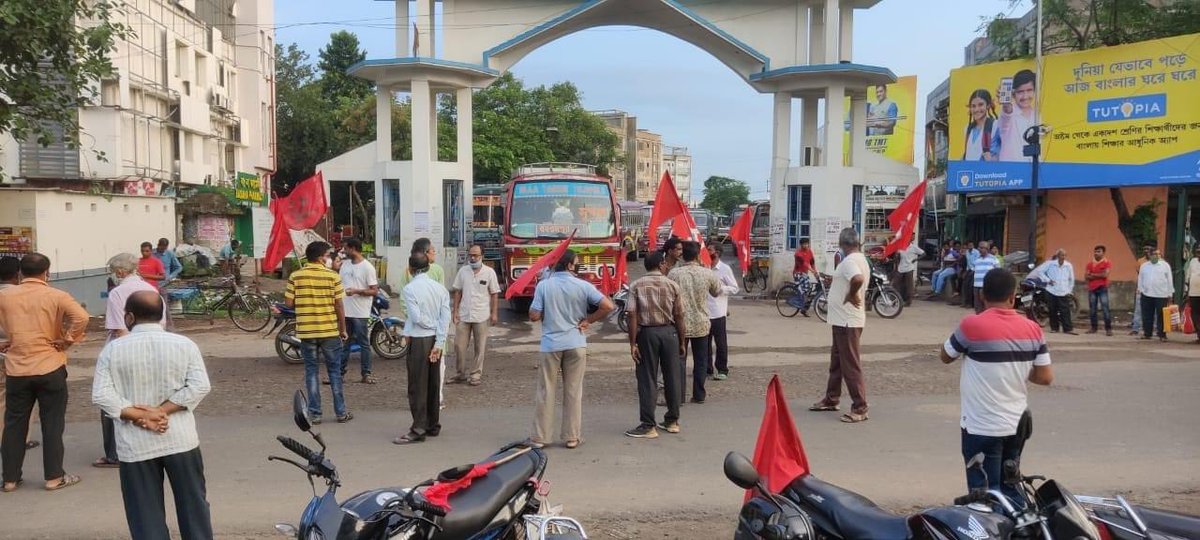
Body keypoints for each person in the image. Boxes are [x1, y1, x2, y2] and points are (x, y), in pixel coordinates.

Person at [92, 291, 213, 540]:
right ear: (163, 315)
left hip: (135, 445)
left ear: (129, 317)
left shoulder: (112, 351)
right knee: (194, 507)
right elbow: (200, 386)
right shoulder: (184, 344)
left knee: (144, 514)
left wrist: (140, 416)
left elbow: (102, 395)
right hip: (180, 439)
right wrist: (162, 410)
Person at [941, 268, 1054, 502]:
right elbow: (1045, 377)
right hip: (1017, 425)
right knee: (1011, 487)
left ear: (982, 295)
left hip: (982, 426)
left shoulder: (971, 325)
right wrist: (1016, 367)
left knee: (985, 495)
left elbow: (945, 355)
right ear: (1013, 297)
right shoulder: (1033, 328)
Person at [0, 253, 89, 493]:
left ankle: (9, 479)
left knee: (14, 424)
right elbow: (81, 317)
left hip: (17, 367)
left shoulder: (5, 296)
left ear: (20, 273)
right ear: (46, 272)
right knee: (52, 423)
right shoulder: (56, 295)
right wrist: (67, 340)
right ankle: (53, 477)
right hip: (50, 364)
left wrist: (5, 341)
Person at [528, 250, 614, 449]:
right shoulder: (583, 285)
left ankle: (540, 437)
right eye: (577, 263)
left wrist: (540, 305)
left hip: (550, 345)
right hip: (576, 343)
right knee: (574, 391)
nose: (578, 266)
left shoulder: (544, 285)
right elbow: (608, 306)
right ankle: (571, 437)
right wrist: (588, 321)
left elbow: (534, 316)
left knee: (546, 391)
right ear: (569, 265)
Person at [95, 253, 165, 470]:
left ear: (119, 272)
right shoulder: (151, 290)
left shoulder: (117, 293)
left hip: (123, 351)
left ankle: (114, 454)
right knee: (145, 396)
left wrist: (125, 353)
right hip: (152, 348)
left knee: (113, 400)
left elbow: (119, 328)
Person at [285, 241, 352, 424]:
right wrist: (343, 329)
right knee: (334, 372)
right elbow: (339, 305)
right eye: (329, 255)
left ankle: (315, 414)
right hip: (329, 331)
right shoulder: (333, 277)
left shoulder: (296, 276)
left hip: (307, 333)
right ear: (321, 257)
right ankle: (341, 412)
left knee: (311, 372)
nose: (330, 258)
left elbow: (289, 304)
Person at [810, 228, 871, 424]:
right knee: (837, 362)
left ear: (842, 244)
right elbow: (851, 279)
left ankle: (860, 407)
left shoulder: (850, 261)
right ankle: (831, 398)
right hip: (842, 320)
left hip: (847, 321)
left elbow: (857, 279)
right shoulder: (859, 259)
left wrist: (852, 294)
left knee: (850, 365)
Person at [625, 251, 686, 439]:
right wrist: (682, 342)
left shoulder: (636, 285)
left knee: (647, 378)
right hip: (669, 333)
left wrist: (633, 343)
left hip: (647, 334)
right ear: (661, 265)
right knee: (672, 377)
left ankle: (648, 425)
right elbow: (679, 316)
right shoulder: (672, 285)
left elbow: (632, 315)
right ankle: (672, 420)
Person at [393, 254, 451, 445]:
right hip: (435, 339)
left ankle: (418, 429)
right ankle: (432, 424)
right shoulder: (440, 289)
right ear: (428, 267)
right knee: (433, 383)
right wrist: (439, 342)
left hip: (420, 339)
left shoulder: (410, 289)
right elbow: (445, 318)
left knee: (417, 386)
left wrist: (431, 327)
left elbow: (416, 317)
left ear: (410, 269)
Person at [669, 241, 721, 404]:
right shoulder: (707, 273)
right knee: (701, 360)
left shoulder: (674, 274)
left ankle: (680, 396)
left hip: (680, 323)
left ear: (682, 255)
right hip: (701, 322)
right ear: (698, 255)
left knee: (680, 360)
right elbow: (717, 292)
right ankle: (699, 395)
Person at [395, 238, 446, 405]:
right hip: (432, 331)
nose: (434, 253)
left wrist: (418, 323)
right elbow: (443, 311)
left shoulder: (436, 271)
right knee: (432, 371)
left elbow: (414, 313)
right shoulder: (412, 279)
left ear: (412, 269)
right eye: (432, 250)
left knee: (421, 374)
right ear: (425, 254)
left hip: (422, 333)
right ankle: (432, 412)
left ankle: (425, 410)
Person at [0, 257, 38, 452]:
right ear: (18, 274)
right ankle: (20, 439)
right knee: (22, 401)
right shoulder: (22, 296)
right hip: (18, 354)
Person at [450, 245, 500, 386]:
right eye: (471, 255)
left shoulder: (489, 272)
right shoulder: (463, 271)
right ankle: (460, 374)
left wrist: (494, 313)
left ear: (482, 256)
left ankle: (476, 374)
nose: (473, 258)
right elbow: (457, 292)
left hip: (482, 315)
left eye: (476, 255)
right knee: (459, 346)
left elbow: (495, 293)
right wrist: (455, 312)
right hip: (464, 315)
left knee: (480, 347)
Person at [336, 238, 380, 384]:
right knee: (344, 342)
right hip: (345, 310)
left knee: (363, 343)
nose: (344, 251)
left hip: (360, 312)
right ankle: (339, 374)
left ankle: (366, 373)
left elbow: (374, 291)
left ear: (353, 248)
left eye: (345, 248)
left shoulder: (367, 267)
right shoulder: (345, 265)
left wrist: (357, 291)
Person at [706, 243, 739, 379]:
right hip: (704, 312)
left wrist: (721, 289)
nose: (707, 252)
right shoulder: (704, 268)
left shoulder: (724, 269)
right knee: (704, 343)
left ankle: (722, 369)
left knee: (720, 343)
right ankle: (707, 368)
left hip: (718, 312)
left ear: (717, 253)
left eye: (710, 250)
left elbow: (735, 288)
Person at [1030, 249, 1076, 334]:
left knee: (1065, 310)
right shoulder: (1050, 264)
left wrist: (1069, 290)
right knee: (1052, 309)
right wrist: (1047, 280)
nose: (1063, 257)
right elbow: (1040, 271)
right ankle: (1054, 328)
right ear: (1058, 256)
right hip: (1051, 290)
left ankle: (1068, 329)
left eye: (1065, 255)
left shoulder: (1068, 265)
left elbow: (1071, 279)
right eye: (1061, 255)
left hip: (1063, 290)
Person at [997, 69, 1037, 162]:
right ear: (1013, 94)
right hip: (1011, 171)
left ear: (1034, 90)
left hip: (1034, 170)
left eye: (1029, 90)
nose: (1025, 96)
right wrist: (1006, 105)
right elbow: (1006, 115)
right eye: (1020, 92)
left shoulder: (1038, 115)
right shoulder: (1008, 114)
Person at [1137, 248, 1174, 342]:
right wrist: (1140, 289)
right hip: (1147, 294)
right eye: (1153, 254)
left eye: (1157, 254)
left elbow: (1169, 280)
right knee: (1147, 315)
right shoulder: (1144, 266)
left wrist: (1170, 293)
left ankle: (1162, 334)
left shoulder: (1165, 265)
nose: (1155, 256)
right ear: (1149, 255)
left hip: (1161, 294)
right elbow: (1140, 278)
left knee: (1161, 316)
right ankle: (1147, 333)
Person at [962, 89, 1000, 161]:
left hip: (989, 171)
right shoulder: (968, 129)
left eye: (980, 105)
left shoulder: (996, 125)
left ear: (988, 105)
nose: (977, 109)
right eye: (973, 106)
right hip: (970, 170)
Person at [1085, 245, 1114, 336]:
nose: (1096, 253)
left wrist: (1092, 275)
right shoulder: (1090, 264)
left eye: (1099, 251)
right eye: (1095, 251)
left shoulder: (1107, 263)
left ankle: (1108, 329)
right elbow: (1086, 276)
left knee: (1105, 309)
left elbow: (1105, 275)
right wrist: (1098, 275)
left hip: (1102, 288)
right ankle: (1094, 328)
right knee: (1092, 309)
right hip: (1092, 288)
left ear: (1103, 253)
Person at [895, 236, 925, 306]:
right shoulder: (901, 247)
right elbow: (898, 257)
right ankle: (898, 298)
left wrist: (916, 259)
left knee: (909, 285)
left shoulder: (913, 247)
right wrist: (897, 257)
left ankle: (908, 301)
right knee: (896, 283)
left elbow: (923, 254)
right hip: (901, 268)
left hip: (909, 268)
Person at [1129, 245, 1152, 335]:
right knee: (1138, 309)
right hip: (1142, 288)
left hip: (1154, 289)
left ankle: (1152, 328)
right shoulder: (1140, 261)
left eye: (1148, 249)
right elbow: (1139, 274)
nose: (1146, 251)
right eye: (1144, 249)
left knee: (1152, 310)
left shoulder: (1158, 261)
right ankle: (1135, 328)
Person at [971, 241, 999, 314]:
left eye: (982, 248)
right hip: (976, 285)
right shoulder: (976, 259)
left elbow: (997, 272)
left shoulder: (993, 259)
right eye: (979, 247)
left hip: (986, 286)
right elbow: (974, 271)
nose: (980, 249)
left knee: (987, 305)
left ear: (987, 249)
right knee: (977, 305)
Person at [1186, 246, 1200, 344]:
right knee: (1195, 314)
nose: (1199, 254)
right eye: (1198, 252)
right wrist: (1187, 291)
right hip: (1194, 292)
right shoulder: (1193, 262)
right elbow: (1188, 277)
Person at [961, 242, 979, 308]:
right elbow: (967, 263)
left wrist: (972, 270)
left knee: (970, 286)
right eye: (969, 245)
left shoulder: (977, 252)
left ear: (973, 246)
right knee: (965, 285)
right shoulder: (967, 252)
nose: (970, 246)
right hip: (969, 270)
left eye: (971, 245)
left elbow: (976, 263)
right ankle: (964, 302)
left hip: (975, 270)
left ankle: (970, 303)